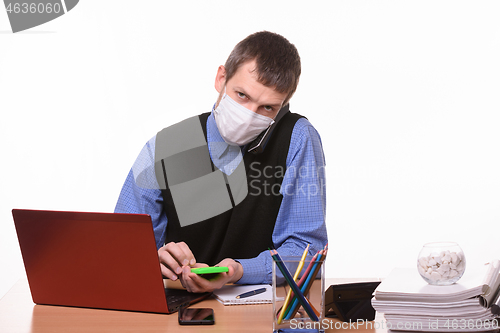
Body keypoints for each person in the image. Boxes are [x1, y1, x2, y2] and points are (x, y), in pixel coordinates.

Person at [115, 31, 327, 293]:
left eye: (267, 108)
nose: (249, 116)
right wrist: (153, 260)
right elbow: (121, 250)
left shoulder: (298, 138)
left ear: (282, 105)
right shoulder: (166, 146)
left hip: (261, 311)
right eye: (242, 95)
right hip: (180, 306)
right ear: (221, 78)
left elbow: (307, 251)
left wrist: (239, 271)